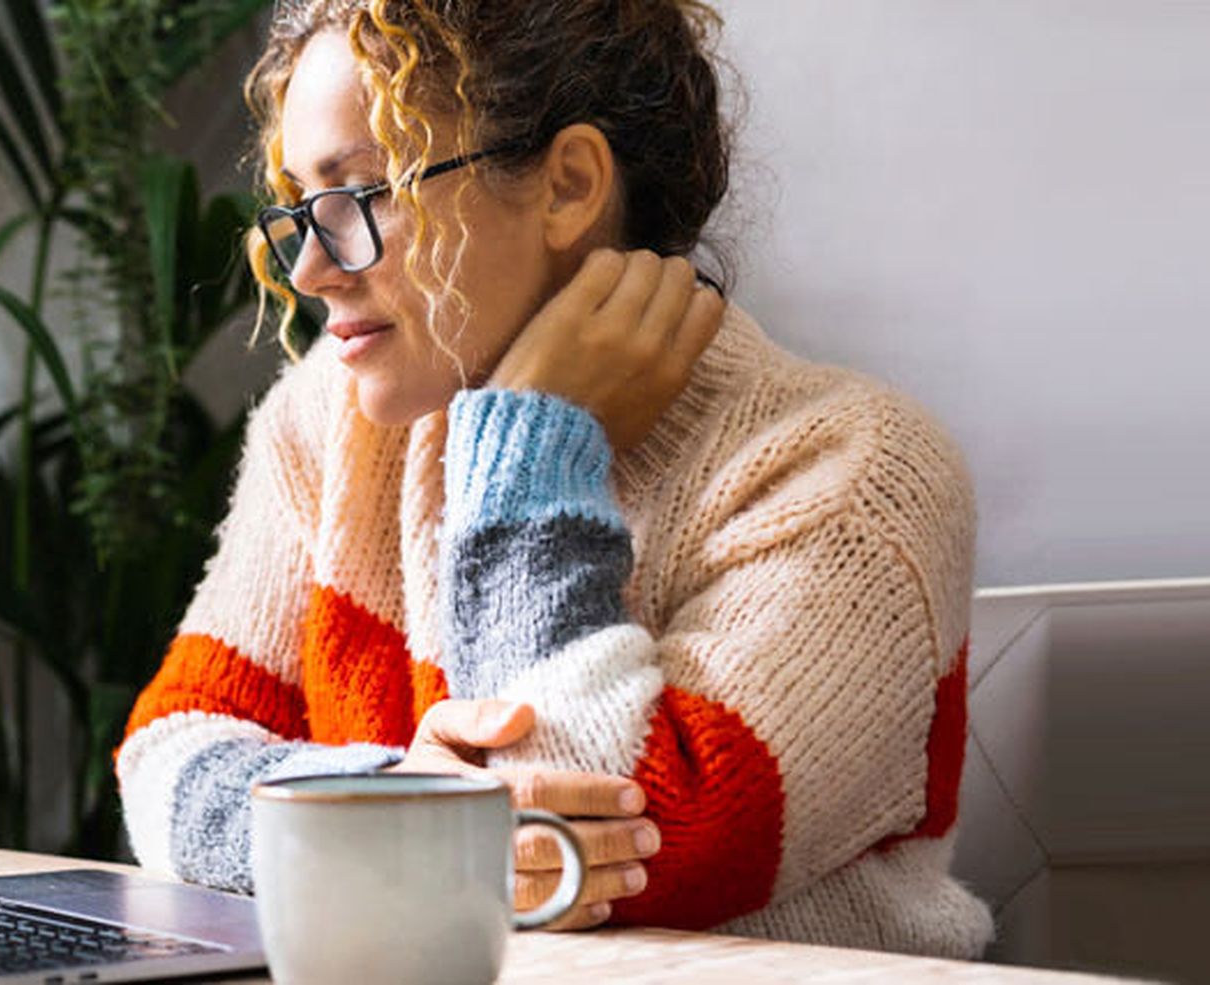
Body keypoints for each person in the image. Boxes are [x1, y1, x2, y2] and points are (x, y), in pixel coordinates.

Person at [115, 0, 995, 959]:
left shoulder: (853, 472)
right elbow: (165, 753)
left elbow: (598, 862)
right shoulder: (325, 426)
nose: (313, 267)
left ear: (569, 185)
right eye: (300, 209)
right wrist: (408, 796)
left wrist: (533, 447)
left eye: (365, 196)